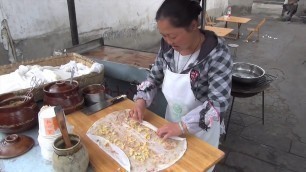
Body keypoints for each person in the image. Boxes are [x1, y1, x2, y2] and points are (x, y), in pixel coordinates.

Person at [130, 0, 232, 170]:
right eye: (163, 35)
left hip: (202, 132)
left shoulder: (216, 55)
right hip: (171, 123)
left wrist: (182, 126)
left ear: (193, 25)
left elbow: (218, 103)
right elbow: (154, 78)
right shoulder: (168, 49)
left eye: (173, 35)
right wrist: (140, 101)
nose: (169, 41)